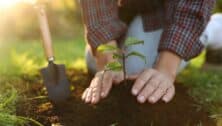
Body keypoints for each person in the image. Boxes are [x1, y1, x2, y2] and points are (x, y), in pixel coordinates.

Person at [80, 0, 216, 104]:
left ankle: (212, 26)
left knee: (136, 68)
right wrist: (108, 63)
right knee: (93, 62)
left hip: (171, 12)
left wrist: (166, 69)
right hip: (125, 10)